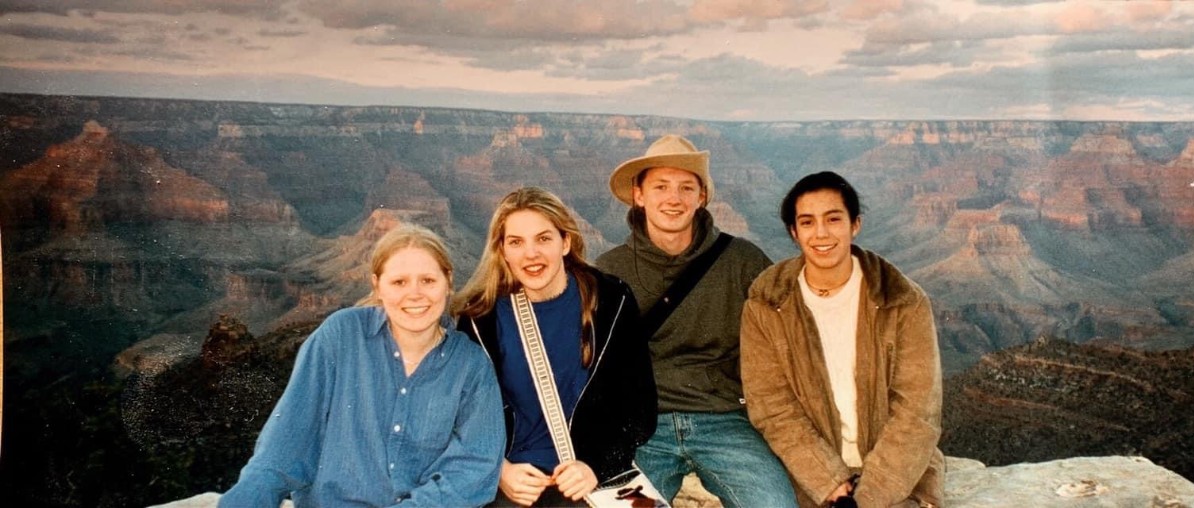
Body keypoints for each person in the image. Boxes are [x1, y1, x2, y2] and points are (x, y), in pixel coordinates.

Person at [220, 224, 506, 507]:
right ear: (377, 286)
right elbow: (284, 447)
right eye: (399, 282)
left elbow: (473, 467)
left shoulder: (470, 366)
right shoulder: (341, 336)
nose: (415, 294)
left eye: (428, 281)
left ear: (448, 282)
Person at [596, 134, 797, 506]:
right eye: (661, 186)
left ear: (701, 197)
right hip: (640, 430)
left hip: (725, 421)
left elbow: (788, 339)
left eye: (686, 187)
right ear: (639, 195)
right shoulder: (609, 271)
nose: (674, 198)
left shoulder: (743, 261)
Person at [740, 171, 945, 508]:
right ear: (794, 232)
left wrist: (867, 498)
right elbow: (772, 408)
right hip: (811, 476)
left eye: (833, 219)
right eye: (807, 222)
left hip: (899, 477)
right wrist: (830, 481)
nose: (821, 233)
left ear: (855, 225)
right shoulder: (767, 305)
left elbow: (917, 412)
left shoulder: (903, 300)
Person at [455, 187, 657, 507]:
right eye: (516, 242)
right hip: (517, 478)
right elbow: (464, 415)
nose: (531, 254)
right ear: (503, 251)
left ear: (565, 242)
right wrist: (499, 470)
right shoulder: (482, 319)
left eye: (543, 239)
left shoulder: (611, 300)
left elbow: (639, 409)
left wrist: (596, 466)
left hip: (586, 474)